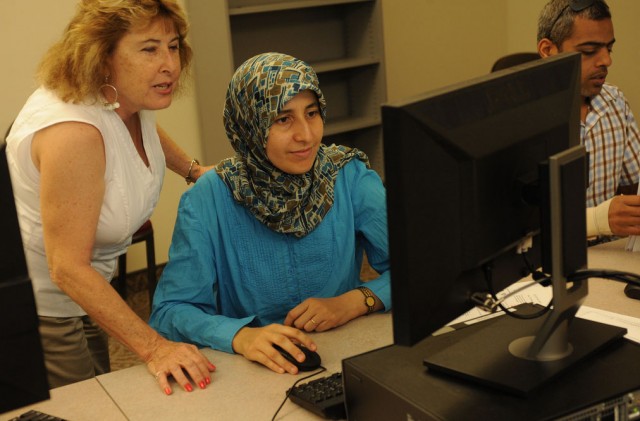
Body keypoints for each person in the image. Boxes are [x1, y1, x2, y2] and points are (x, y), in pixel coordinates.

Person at [5, 0, 215, 394]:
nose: (170, 63)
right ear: (102, 56)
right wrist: (156, 348)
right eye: (150, 49)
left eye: (173, 46)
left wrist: (192, 170)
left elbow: (141, 136)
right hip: (44, 306)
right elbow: (66, 268)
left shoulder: (126, 98)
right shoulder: (74, 134)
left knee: (106, 386)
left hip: (86, 290)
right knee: (86, 403)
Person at [149, 52, 391, 374]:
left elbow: (420, 268)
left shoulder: (349, 176)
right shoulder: (209, 198)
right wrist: (240, 336)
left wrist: (356, 301)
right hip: (253, 371)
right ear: (250, 124)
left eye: (312, 113)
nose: (306, 135)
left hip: (348, 353)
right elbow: (170, 311)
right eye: (283, 119)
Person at [536, 0, 640, 239]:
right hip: (544, 266)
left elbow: (634, 187)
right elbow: (512, 233)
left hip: (610, 259)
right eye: (589, 51)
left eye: (609, 49)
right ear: (547, 50)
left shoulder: (615, 103)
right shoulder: (519, 121)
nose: (606, 61)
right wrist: (597, 220)